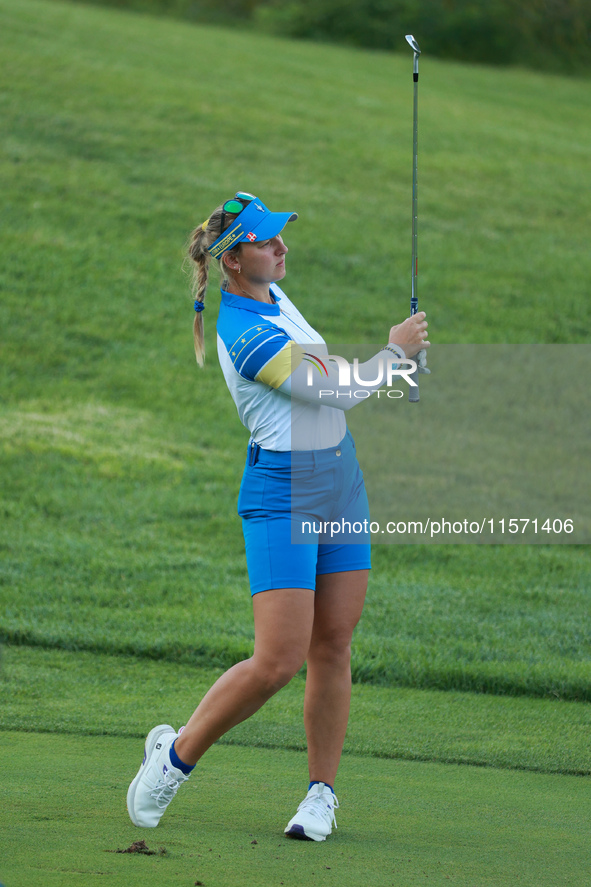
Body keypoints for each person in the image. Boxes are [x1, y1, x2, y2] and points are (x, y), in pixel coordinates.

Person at [126, 192, 429, 841]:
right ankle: (174, 758)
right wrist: (394, 352)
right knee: (277, 658)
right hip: (283, 491)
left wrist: (389, 364)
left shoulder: (274, 298)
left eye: (280, 238)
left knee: (333, 642)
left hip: (341, 481)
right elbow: (334, 387)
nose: (282, 248)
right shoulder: (244, 331)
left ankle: (320, 793)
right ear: (233, 260)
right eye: (267, 242)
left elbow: (334, 377)